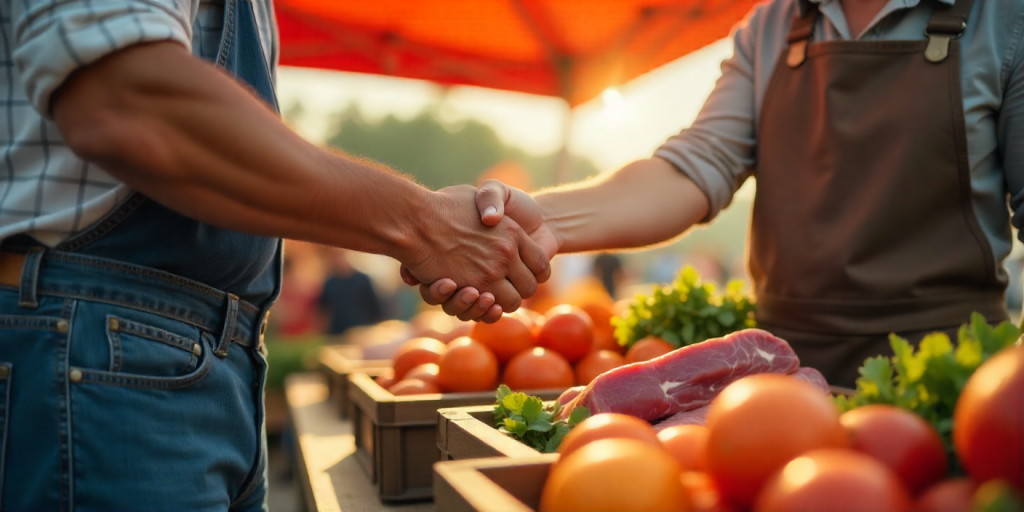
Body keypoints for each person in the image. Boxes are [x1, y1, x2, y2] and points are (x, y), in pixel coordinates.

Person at [0, 1, 550, 509]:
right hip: (100, 345)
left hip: (193, 360)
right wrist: (424, 223)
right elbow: (125, 99)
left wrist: (449, 227)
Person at [411, 0, 1024, 388]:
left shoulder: (1006, 18)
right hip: (785, 375)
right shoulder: (771, 25)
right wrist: (542, 219)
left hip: (951, 378)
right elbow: (692, 168)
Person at [317, 249, 384, 336]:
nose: (338, 260)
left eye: (341, 256)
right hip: (339, 332)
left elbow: (374, 306)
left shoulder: (362, 280)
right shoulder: (330, 283)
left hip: (362, 330)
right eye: (335, 257)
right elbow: (324, 309)